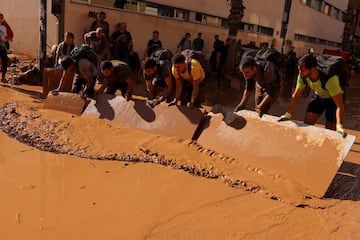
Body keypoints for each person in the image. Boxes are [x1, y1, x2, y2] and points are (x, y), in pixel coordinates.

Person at [278, 54, 347, 138]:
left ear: (313, 69)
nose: (300, 73)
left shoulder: (330, 79)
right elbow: (296, 96)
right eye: (299, 70)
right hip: (319, 96)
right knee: (307, 125)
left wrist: (339, 126)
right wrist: (288, 115)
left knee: (330, 132)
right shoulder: (302, 76)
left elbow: (339, 105)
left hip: (333, 100)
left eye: (302, 70)